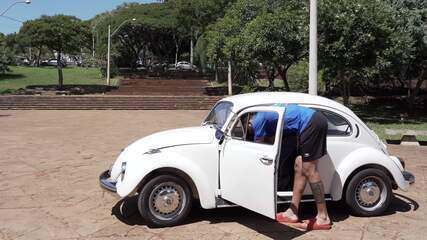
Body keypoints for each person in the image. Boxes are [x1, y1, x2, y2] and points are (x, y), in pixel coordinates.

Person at [252, 104, 331, 230]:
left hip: (311, 122)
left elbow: (259, 147)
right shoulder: (264, 113)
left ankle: (323, 217)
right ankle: (292, 212)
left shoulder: (257, 121)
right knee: (299, 164)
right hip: (307, 124)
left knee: (309, 169)